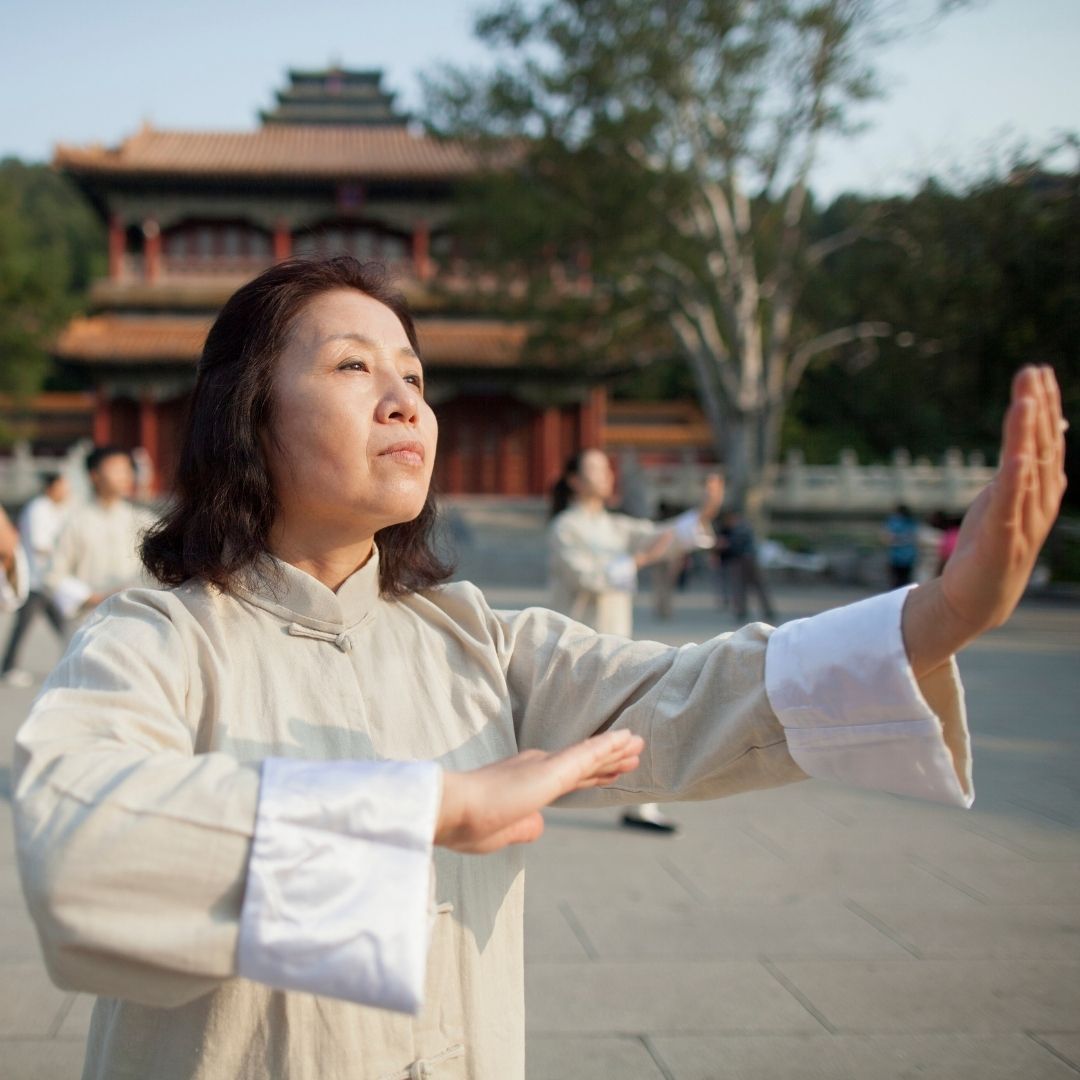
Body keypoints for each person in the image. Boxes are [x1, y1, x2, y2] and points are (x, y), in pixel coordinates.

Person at [11, 257, 1067, 1080]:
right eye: (351, 367)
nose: (404, 401)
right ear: (247, 412)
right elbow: (79, 837)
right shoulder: (162, 634)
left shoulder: (477, 637)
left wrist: (937, 615)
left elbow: (685, 696)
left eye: (415, 378)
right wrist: (430, 807)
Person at [548, 450, 723, 832]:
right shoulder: (565, 527)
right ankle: (508, 789)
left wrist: (705, 511)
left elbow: (660, 536)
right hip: (577, 645)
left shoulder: (616, 526)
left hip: (615, 642)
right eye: (595, 468)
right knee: (554, 726)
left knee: (642, 718)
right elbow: (586, 577)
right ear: (575, 480)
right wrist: (637, 562)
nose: (606, 474)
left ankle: (640, 806)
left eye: (606, 468)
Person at [44, 445, 157, 624]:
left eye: (127, 469)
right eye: (116, 469)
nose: (125, 475)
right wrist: (92, 597)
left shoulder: (144, 521)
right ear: (94, 475)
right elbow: (53, 576)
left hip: (136, 617)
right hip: (91, 619)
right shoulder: (75, 522)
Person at [0, 472, 71, 685]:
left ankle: (77, 661)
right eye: (63, 486)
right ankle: (8, 668)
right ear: (52, 487)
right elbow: (35, 544)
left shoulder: (56, 509)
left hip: (48, 579)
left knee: (67, 624)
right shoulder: (38, 509)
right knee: (29, 627)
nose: (67, 492)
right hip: (36, 579)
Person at [716, 509, 776, 621]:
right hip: (739, 561)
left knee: (756, 586)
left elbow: (735, 544)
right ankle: (742, 611)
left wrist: (726, 544)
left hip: (747, 560)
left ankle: (766, 611)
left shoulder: (741, 528)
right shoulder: (731, 529)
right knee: (740, 588)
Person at [883, 503, 919, 588]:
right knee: (905, 582)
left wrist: (897, 540)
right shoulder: (912, 522)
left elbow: (888, 538)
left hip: (897, 557)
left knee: (896, 581)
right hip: (908, 557)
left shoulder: (894, 522)